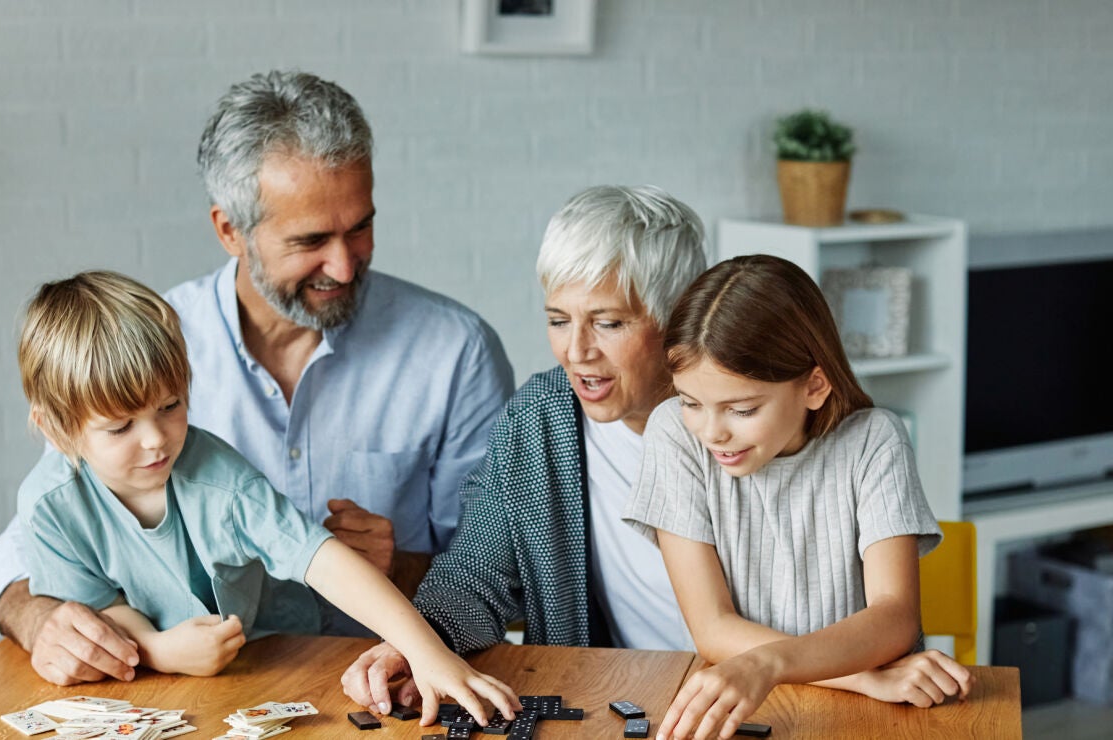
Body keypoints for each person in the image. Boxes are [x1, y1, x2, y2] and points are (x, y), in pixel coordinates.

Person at [0, 70, 515, 686]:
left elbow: (498, 566)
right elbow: (24, 556)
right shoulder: (146, 349)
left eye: (359, 226)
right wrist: (41, 617)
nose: (343, 263)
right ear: (230, 229)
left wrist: (404, 569)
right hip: (198, 692)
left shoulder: (455, 350)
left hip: (380, 680)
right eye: (310, 239)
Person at [12, 270, 518, 726]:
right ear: (56, 431)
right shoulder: (48, 504)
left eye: (171, 405)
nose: (156, 440)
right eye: (120, 426)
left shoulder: (219, 477)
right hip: (156, 688)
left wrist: (427, 651)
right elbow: (98, 601)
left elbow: (325, 560)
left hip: (280, 654)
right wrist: (158, 649)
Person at [341, 185, 708, 713]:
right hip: (621, 703)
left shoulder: (742, 424)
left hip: (755, 696)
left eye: (608, 323)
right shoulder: (540, 417)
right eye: (559, 320)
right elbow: (476, 573)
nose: (576, 351)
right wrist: (414, 646)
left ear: (680, 316)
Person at [622, 255, 974, 740]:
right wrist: (864, 679)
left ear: (814, 384)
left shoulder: (874, 440)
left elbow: (895, 617)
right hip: (755, 705)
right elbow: (712, 626)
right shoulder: (673, 436)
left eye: (742, 409)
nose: (712, 432)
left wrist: (768, 663)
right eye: (690, 402)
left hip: (876, 717)